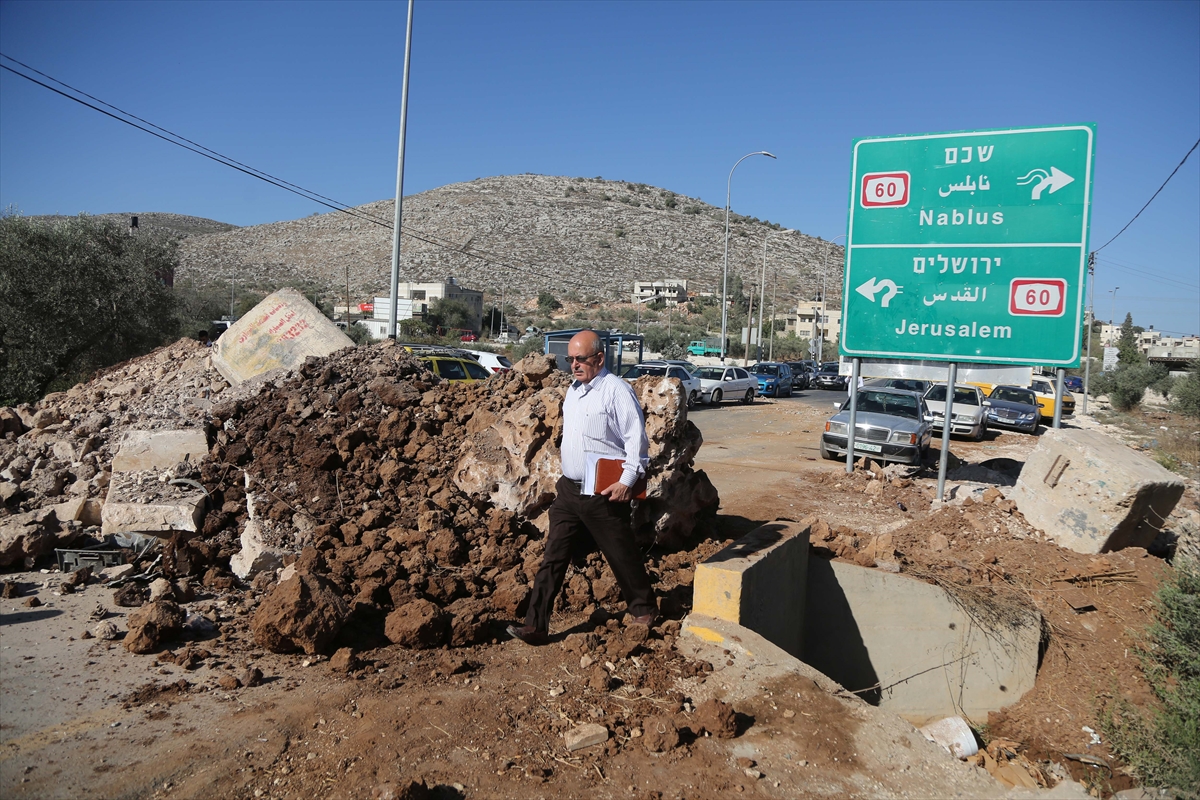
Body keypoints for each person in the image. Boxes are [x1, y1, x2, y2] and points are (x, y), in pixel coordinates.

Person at [507, 330, 657, 645]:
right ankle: (536, 625)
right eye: (570, 359)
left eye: (580, 359)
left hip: (603, 492)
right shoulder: (573, 391)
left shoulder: (616, 391)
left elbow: (636, 440)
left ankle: (644, 609)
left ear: (599, 359)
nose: (574, 365)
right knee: (554, 555)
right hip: (569, 491)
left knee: (620, 552)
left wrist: (627, 481)